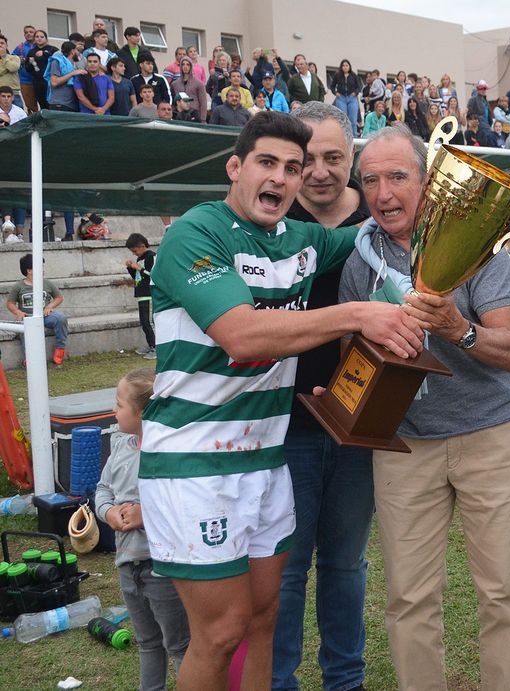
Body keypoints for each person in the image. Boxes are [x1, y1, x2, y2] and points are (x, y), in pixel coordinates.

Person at [137, 112, 423, 690]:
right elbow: (241, 334)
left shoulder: (301, 240)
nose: (284, 178)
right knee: (219, 634)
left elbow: (389, 224)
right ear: (236, 168)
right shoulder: (195, 233)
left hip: (266, 462)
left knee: (263, 621)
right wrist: (357, 314)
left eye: (293, 168)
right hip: (194, 464)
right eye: (268, 163)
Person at [339, 124, 510, 691]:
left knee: (501, 591)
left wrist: (457, 329)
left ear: (428, 183)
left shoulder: (479, 244)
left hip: (489, 437)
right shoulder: (361, 256)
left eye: (398, 176)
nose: (383, 193)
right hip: (405, 442)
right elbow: (356, 351)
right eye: (370, 180)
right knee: (409, 596)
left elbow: (509, 350)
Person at [270, 103, 375, 691]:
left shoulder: (380, 224)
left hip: (360, 425)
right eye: (305, 158)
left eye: (333, 157)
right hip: (284, 424)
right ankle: (278, 680)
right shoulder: (267, 224)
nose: (317, 171)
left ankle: (345, 681)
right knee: (286, 569)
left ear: (351, 157)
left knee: (345, 564)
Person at [96, 368, 190, 688]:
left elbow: (184, 505)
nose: (113, 410)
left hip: (163, 569)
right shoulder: (120, 445)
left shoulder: (168, 452)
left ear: (142, 411)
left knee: (179, 644)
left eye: (119, 404)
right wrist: (108, 513)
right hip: (127, 564)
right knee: (147, 642)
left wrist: (144, 516)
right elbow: (103, 490)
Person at [6, 253, 70, 365]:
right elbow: (10, 303)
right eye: (40, 267)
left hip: (45, 316)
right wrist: (18, 312)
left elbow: (58, 297)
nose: (43, 270)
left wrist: (50, 306)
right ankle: (29, 357)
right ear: (29, 270)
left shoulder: (47, 284)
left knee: (60, 318)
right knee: (23, 328)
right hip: (28, 317)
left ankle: (60, 349)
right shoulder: (18, 286)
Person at [125, 233, 157, 359]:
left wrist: (139, 268)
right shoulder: (140, 259)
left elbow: (153, 275)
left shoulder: (151, 257)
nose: (134, 254)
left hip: (149, 294)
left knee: (149, 322)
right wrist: (131, 269)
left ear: (142, 246)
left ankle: (157, 347)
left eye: (135, 250)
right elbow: (138, 278)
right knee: (144, 322)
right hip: (141, 294)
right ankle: (151, 344)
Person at [44, 41, 84, 112]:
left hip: (72, 105)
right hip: (59, 105)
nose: (79, 53)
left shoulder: (74, 65)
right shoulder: (57, 61)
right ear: (72, 51)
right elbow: (54, 82)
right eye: (77, 50)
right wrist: (72, 73)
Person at [171, 57, 206, 122]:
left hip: (194, 115)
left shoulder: (199, 84)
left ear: (191, 66)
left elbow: (203, 102)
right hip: (179, 115)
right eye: (183, 64)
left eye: (188, 64)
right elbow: (173, 101)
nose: (185, 67)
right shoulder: (175, 84)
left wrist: (203, 119)